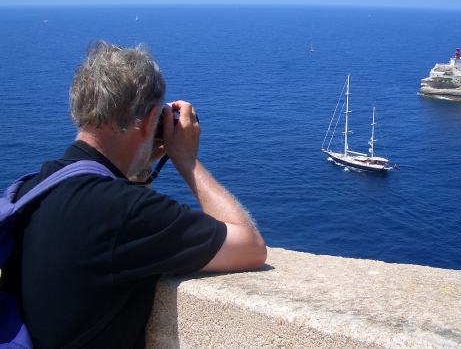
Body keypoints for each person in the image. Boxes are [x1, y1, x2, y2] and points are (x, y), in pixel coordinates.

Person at [3, 41, 267, 348]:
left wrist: (139, 171)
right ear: (151, 120)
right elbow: (250, 246)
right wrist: (187, 160)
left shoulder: (28, 189)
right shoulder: (124, 212)